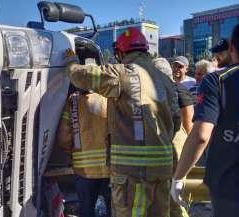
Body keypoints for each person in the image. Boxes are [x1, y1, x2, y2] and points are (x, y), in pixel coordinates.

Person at [64, 27, 181, 217]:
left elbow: (83, 77)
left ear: (120, 53)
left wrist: (70, 62)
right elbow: (176, 123)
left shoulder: (122, 73)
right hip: (163, 170)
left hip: (133, 175)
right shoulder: (165, 80)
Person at [171, 23, 239, 217]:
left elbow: (201, 135)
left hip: (229, 190)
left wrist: (179, 177)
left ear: (232, 48)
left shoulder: (217, 81)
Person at [56, 89, 112, 217]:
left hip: (84, 169)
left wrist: (72, 154)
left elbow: (64, 138)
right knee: (112, 210)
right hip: (110, 167)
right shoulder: (109, 97)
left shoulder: (73, 100)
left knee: (87, 211)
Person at [153, 57, 194, 217]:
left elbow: (187, 124)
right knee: (174, 193)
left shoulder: (152, 92)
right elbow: (188, 125)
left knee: (169, 194)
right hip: (175, 146)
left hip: (167, 146)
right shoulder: (179, 90)